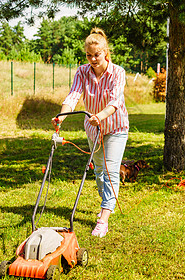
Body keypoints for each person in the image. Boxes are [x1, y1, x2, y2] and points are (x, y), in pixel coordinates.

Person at [52, 27, 129, 238]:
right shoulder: (82, 71)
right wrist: (61, 117)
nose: (93, 59)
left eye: (97, 54)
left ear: (105, 52)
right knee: (99, 170)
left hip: (115, 126)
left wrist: (101, 115)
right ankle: (107, 202)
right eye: (89, 55)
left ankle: (103, 218)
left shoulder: (118, 73)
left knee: (111, 170)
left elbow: (115, 101)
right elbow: (73, 96)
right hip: (93, 128)